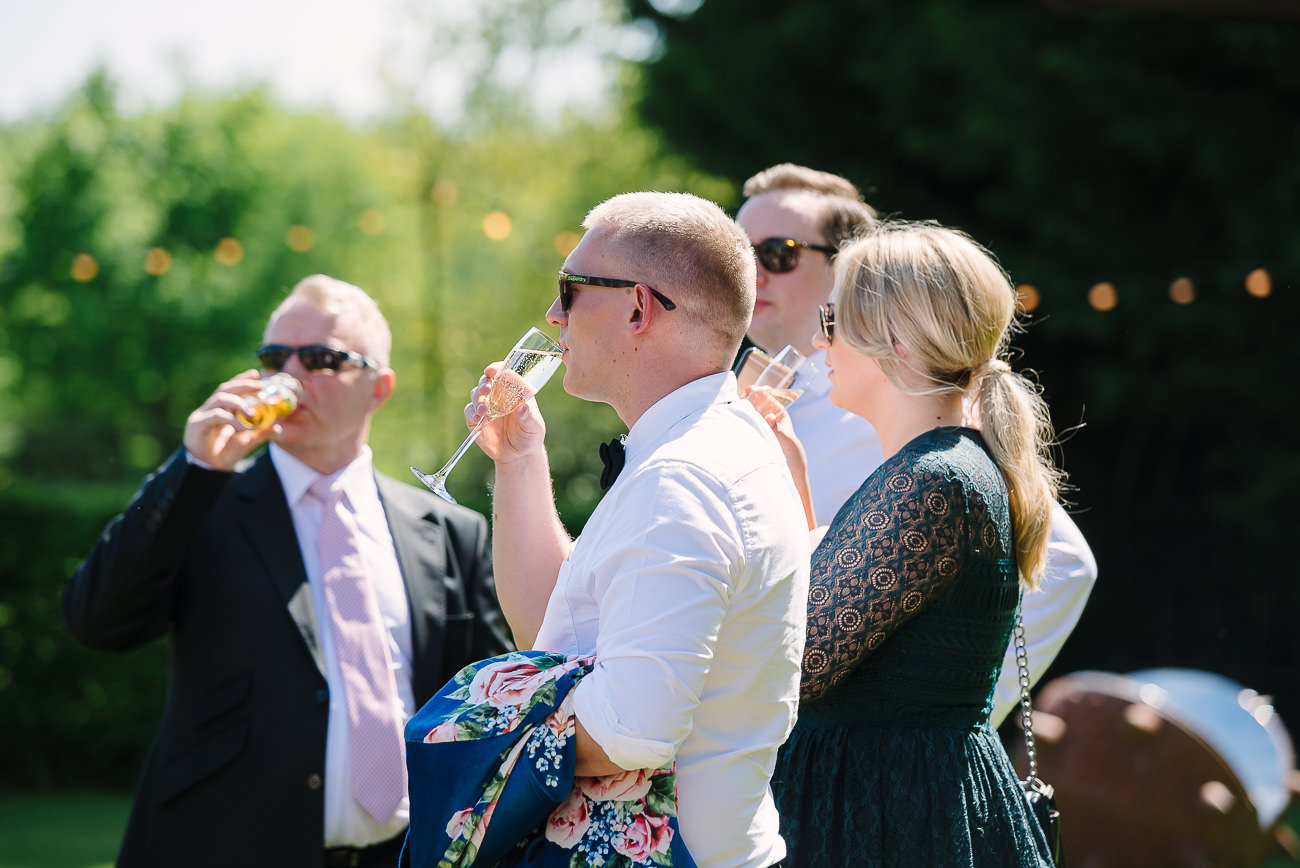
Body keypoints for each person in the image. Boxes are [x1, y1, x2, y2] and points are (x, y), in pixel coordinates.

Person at [63, 274, 511, 868]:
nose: (289, 376)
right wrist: (194, 467)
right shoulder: (203, 504)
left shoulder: (446, 530)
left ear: (379, 387)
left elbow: (491, 704)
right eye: (275, 357)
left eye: (320, 358)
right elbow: (98, 621)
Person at [468, 192, 810, 867]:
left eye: (569, 291)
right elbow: (552, 634)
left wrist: (477, 731)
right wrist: (519, 459)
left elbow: (633, 727)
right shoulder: (706, 448)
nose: (552, 314)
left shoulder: (681, 478)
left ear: (637, 307)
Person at [736, 163, 1096, 726]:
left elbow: (1065, 565)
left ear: (848, 273)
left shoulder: (914, 419)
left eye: (777, 254)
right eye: (739, 253)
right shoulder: (767, 401)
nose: (751, 273)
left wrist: (945, 723)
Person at [770, 220, 1060, 865]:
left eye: (831, 319)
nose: (822, 345)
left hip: (895, 819)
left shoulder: (931, 480)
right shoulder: (942, 467)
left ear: (894, 342)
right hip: (904, 805)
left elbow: (791, 661)